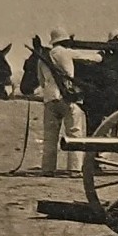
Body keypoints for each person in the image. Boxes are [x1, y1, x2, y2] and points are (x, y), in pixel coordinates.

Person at [34, 27, 102, 175]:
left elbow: (41, 80)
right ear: (65, 41)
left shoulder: (42, 58)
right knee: (75, 133)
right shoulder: (66, 52)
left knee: (50, 136)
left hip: (50, 99)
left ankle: (47, 169)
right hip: (68, 97)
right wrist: (101, 55)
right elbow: (92, 58)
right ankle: (74, 169)